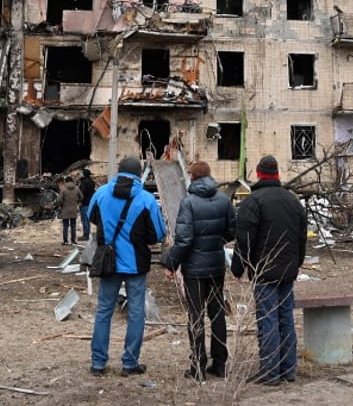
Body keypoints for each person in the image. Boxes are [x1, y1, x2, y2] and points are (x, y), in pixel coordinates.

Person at [231, 156, 307, 386]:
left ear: (258, 173)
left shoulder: (253, 202)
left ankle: (270, 372)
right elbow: (301, 237)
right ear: (277, 174)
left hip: (264, 271)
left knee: (268, 320)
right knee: (285, 318)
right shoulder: (293, 201)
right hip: (287, 270)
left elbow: (244, 238)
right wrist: (297, 262)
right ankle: (288, 369)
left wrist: (238, 267)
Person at [88, 155, 167, 377]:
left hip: (108, 263)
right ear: (138, 172)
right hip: (135, 264)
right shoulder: (146, 199)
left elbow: (91, 217)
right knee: (136, 313)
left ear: (119, 171)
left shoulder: (101, 193)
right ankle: (130, 362)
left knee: (103, 311)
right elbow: (158, 234)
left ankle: (98, 363)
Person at [162, 161, 237, 381]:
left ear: (192, 177)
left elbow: (184, 240)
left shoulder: (189, 202)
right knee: (217, 314)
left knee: (196, 315)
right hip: (215, 264)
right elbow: (232, 230)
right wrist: (215, 243)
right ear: (209, 175)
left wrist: (171, 264)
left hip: (194, 268)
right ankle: (220, 363)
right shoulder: (224, 200)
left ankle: (198, 366)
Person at [58, 175, 81, 246]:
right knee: (73, 226)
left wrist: (62, 205)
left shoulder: (63, 190)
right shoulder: (77, 189)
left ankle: (65, 241)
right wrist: (76, 202)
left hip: (65, 210)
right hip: (74, 209)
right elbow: (81, 197)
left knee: (65, 226)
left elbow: (59, 200)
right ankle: (73, 241)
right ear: (72, 181)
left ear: (66, 182)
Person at [78, 168, 96, 241]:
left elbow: (82, 193)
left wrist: (79, 201)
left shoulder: (84, 182)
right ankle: (87, 234)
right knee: (87, 219)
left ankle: (86, 235)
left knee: (84, 219)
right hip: (90, 202)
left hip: (84, 203)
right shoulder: (92, 182)